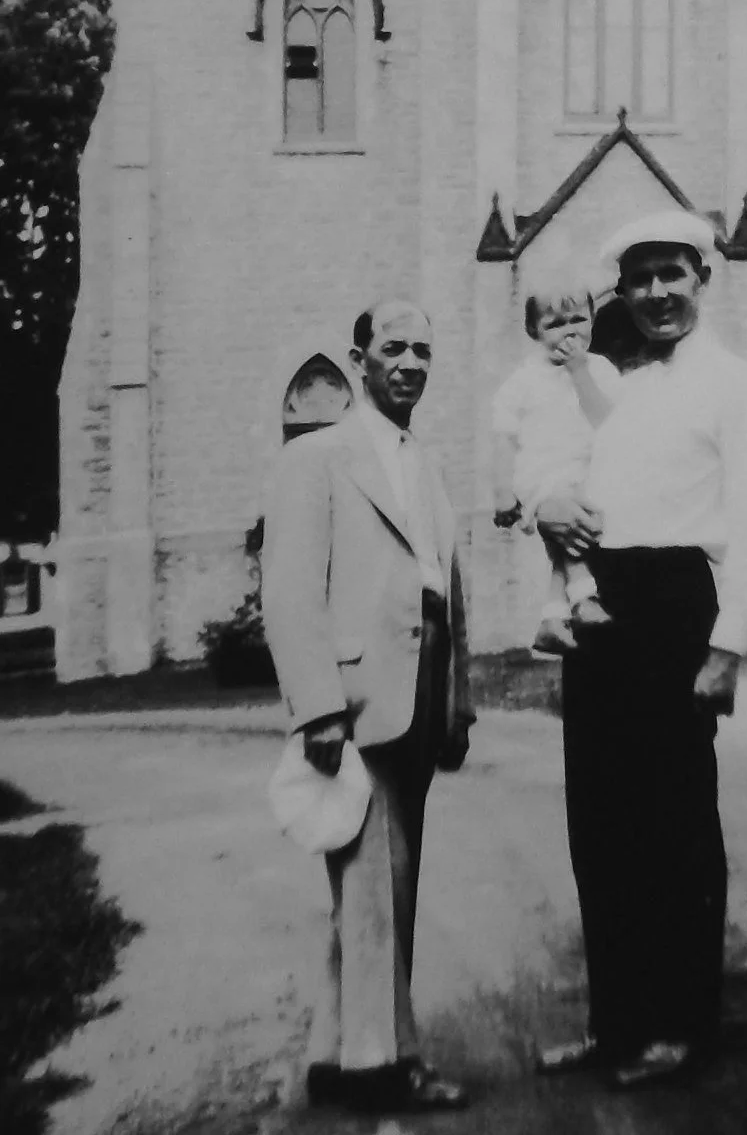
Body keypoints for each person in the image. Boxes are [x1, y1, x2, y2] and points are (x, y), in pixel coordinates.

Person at [534, 211, 747, 1091]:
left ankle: (681, 1026)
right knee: (600, 822)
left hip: (680, 608)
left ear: (701, 278)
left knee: (675, 824)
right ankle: (616, 1024)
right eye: (639, 279)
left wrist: (728, 648)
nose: (656, 294)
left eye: (672, 274)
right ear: (622, 290)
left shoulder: (733, 383)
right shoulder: (607, 380)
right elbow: (562, 469)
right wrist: (547, 509)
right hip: (603, 608)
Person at [262, 299, 474, 1114]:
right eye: (394, 348)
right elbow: (288, 590)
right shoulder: (318, 457)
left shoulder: (424, 462)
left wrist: (458, 703)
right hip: (355, 699)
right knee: (376, 886)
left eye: (424, 349)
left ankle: (336, 1050)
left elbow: (448, 589)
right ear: (360, 359)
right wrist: (315, 707)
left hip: (418, 693)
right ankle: (387, 1067)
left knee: (380, 887)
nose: (411, 363)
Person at [490, 277, 618, 654]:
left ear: (593, 321)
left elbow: (609, 423)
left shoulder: (602, 370)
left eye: (577, 320)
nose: (569, 333)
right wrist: (501, 491)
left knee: (573, 537)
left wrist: (581, 372)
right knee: (571, 534)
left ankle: (551, 619)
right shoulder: (523, 381)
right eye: (554, 324)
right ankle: (583, 600)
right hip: (542, 475)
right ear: (533, 331)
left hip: (589, 471)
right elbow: (504, 436)